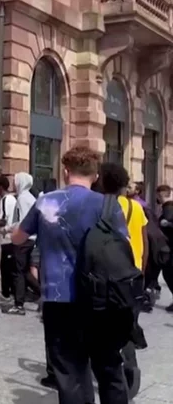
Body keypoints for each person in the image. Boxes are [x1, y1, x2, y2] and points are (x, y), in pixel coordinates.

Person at [12, 146, 130, 404]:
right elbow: (125, 245)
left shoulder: (46, 202)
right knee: (109, 369)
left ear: (65, 172)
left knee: (70, 372)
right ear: (95, 176)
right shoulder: (108, 205)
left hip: (59, 298)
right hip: (101, 299)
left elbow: (18, 237)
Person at [96, 163, 145, 400]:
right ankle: (131, 368)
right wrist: (141, 272)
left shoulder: (104, 207)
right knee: (128, 323)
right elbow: (144, 245)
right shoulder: (136, 207)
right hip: (133, 273)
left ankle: (116, 372)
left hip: (113, 273)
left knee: (108, 327)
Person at [2, 172, 37, 315]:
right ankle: (42, 295)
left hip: (22, 239)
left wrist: (8, 229)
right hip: (31, 238)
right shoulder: (30, 197)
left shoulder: (22, 198)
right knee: (25, 271)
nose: (14, 183)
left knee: (18, 272)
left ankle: (19, 304)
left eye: (15, 181)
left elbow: (22, 221)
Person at [0, 176, 17, 301]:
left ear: (0, 186)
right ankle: (10, 293)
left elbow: (3, 221)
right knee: (9, 267)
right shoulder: (12, 199)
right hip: (11, 238)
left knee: (6, 268)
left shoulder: (5, 200)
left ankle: (6, 295)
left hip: (7, 238)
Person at [155, 184, 173, 312]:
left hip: (169, 247)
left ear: (161, 195)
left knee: (169, 274)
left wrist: (167, 224)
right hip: (169, 246)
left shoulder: (168, 208)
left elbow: (167, 224)